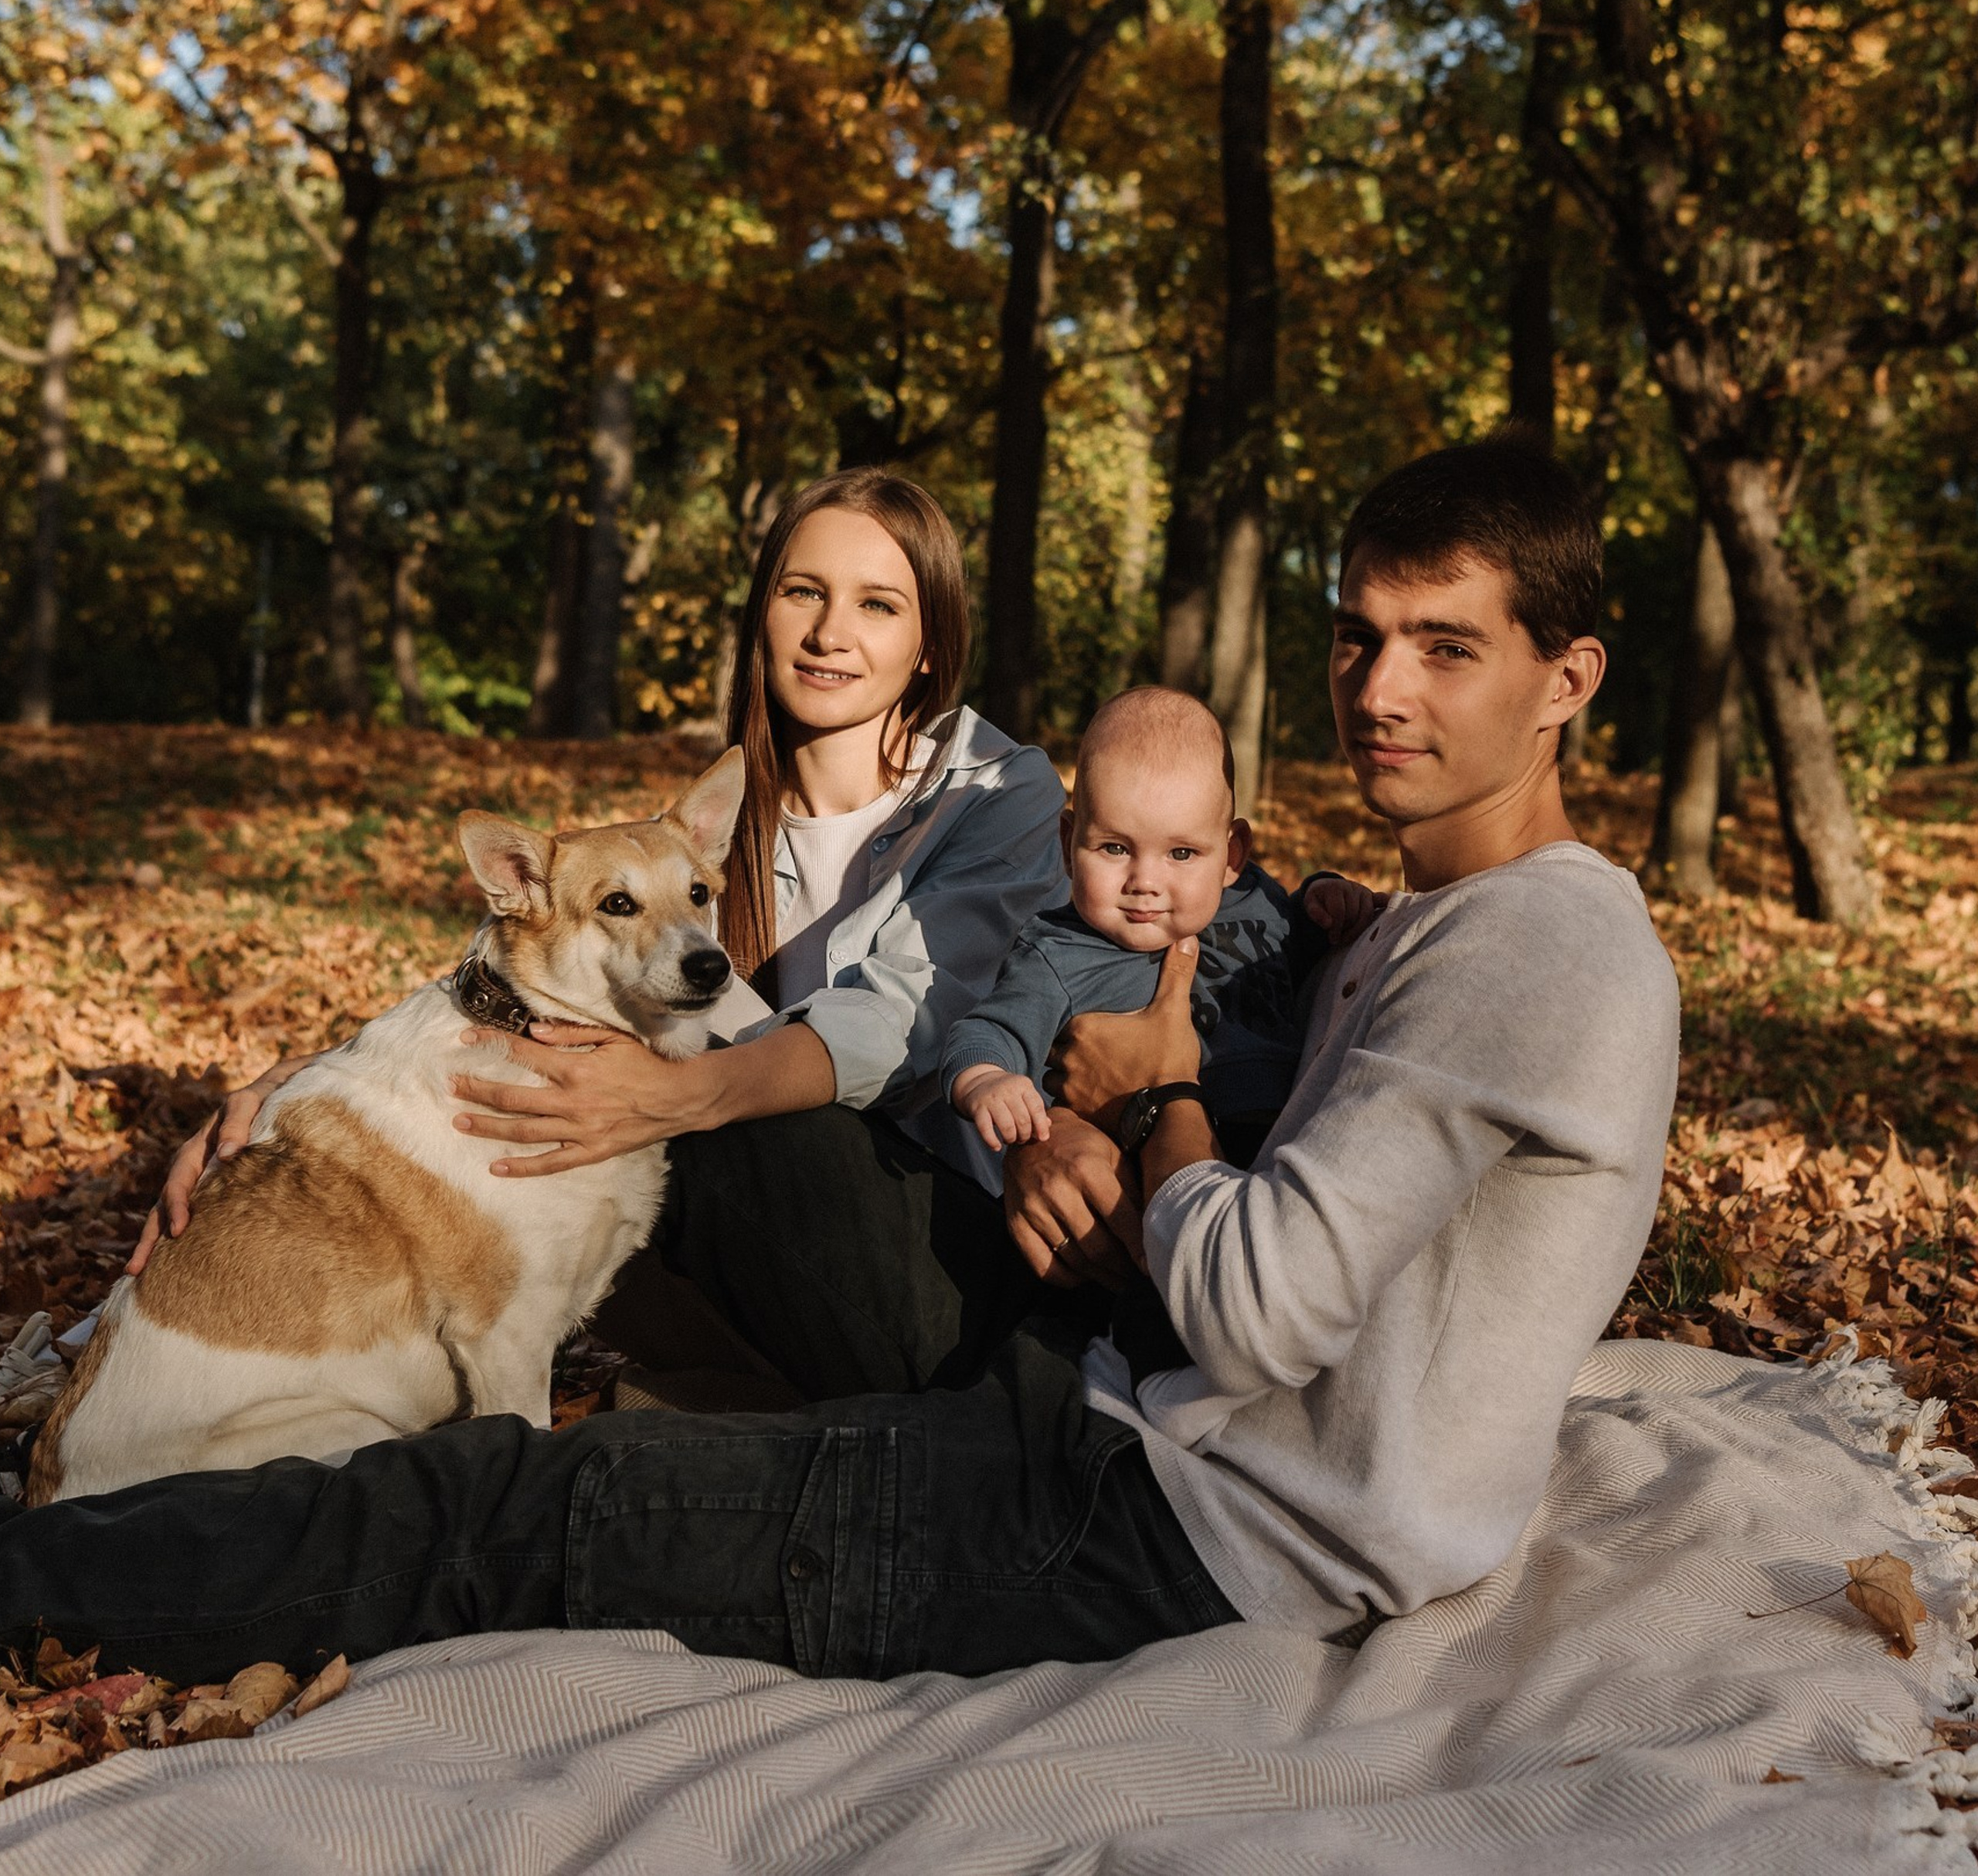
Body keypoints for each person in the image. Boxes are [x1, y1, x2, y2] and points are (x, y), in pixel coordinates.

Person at [0, 436, 1679, 1688]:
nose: (1378, 686)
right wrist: (307, 1097)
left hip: (1159, 1522)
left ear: (1566, 681)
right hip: (1111, 1401)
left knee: (504, 1511)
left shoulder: (1538, 941)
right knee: (564, 1413)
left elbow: (1263, 1296)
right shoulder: (1425, 922)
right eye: (1357, 633)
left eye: (1443, 646)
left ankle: (36, 1569)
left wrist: (1156, 1095)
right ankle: (137, 1393)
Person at [127, 464, 1067, 1288]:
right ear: (763, 615)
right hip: (758, 1236)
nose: (829, 632)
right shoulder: (709, 827)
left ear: (930, 642)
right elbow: (528, 997)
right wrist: (298, 1095)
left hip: (942, 1235)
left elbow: (900, 1022)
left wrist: (684, 1094)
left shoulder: (998, 790)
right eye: (802, 592)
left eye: (877, 603)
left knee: (706, 1114)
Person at [943, 685, 1377, 1161]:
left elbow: (1308, 939)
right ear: (1069, 845)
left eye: (1182, 853)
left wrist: (1328, 895)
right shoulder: (1060, 954)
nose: (1145, 882)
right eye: (1115, 848)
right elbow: (989, 1030)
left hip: (1296, 1143)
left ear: (1232, 856)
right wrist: (986, 1079)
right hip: (1153, 1166)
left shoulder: (1254, 899)